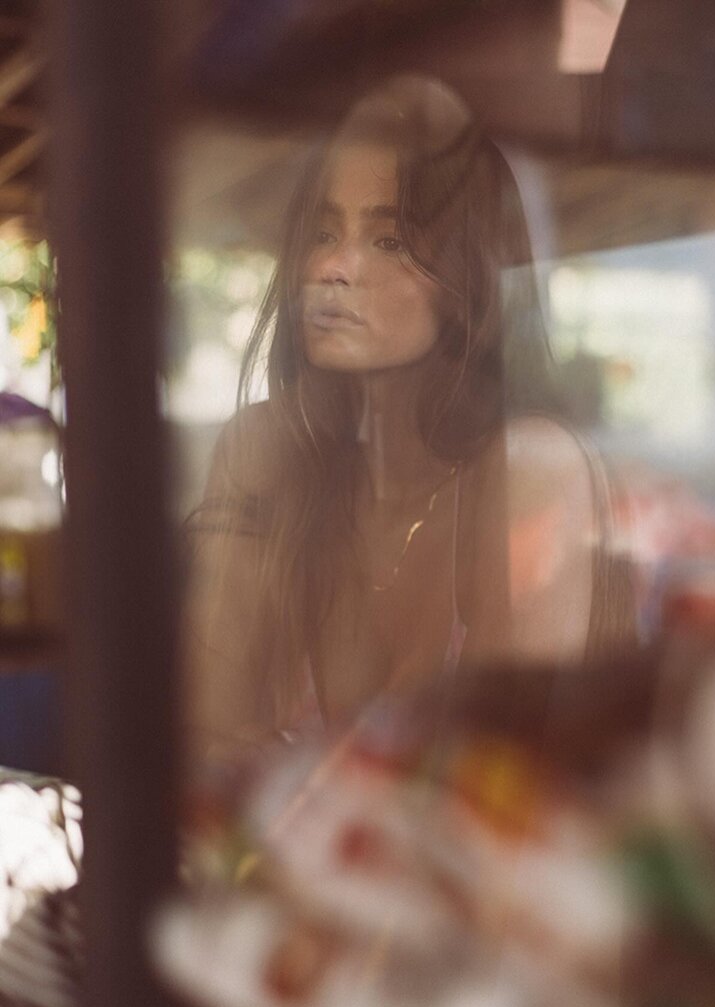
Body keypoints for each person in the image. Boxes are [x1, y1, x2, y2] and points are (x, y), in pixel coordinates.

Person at [185, 76, 633, 761]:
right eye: (324, 232)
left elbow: (499, 781)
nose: (333, 267)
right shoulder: (271, 452)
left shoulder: (527, 470)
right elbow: (206, 736)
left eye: (390, 239)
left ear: (467, 280)